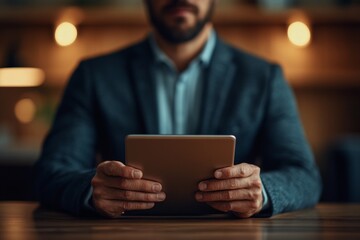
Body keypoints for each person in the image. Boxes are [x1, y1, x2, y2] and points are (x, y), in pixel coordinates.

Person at [34, 0, 321, 218]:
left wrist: (262, 192)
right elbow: (50, 173)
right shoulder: (94, 75)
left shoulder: (264, 77)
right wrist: (91, 190)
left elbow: (304, 175)